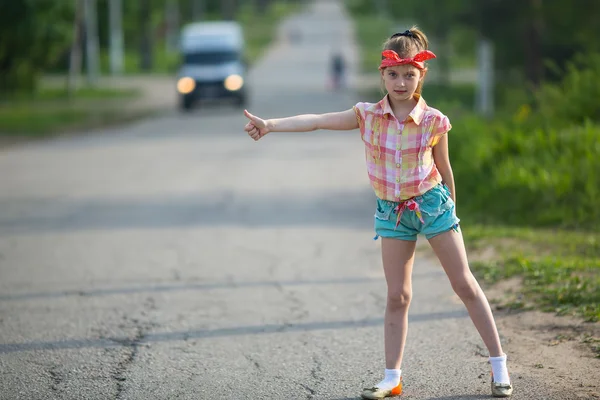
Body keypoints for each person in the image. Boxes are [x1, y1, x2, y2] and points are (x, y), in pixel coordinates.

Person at [243, 27, 513, 399]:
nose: (401, 82)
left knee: (464, 284)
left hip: (433, 205)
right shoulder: (366, 115)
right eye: (393, 75)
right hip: (392, 212)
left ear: (421, 76)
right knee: (398, 295)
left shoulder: (435, 120)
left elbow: (444, 167)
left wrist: (453, 209)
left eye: (409, 75)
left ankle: (499, 366)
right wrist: (271, 125)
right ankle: (392, 378)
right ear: (382, 75)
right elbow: (318, 120)